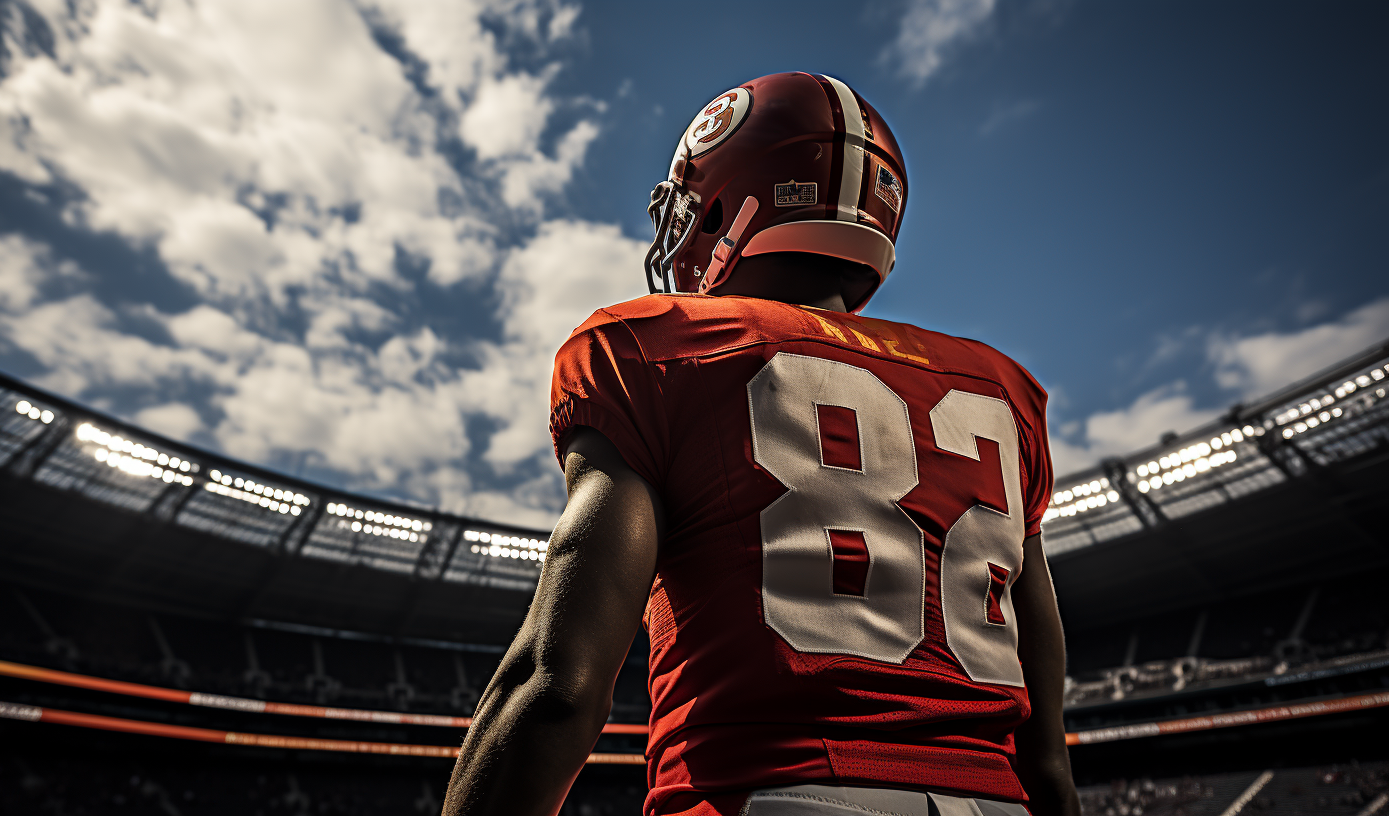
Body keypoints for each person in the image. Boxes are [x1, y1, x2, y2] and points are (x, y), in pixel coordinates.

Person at [443, 72, 1080, 816]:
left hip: (762, 793)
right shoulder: (1002, 391)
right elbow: (1045, 742)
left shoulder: (658, 351)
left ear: (724, 205)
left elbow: (557, 687)